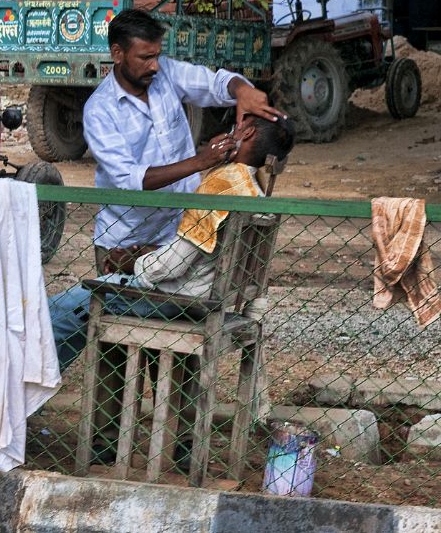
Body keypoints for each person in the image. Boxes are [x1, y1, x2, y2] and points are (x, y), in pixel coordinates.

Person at [51, 114, 295, 467]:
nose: (230, 127)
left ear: (247, 132)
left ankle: (22, 381)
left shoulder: (223, 182)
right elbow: (198, 254)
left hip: (179, 300)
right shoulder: (255, 187)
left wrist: (132, 264)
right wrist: (147, 254)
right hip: (212, 298)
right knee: (96, 300)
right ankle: (177, 447)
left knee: (67, 306)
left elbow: (173, 266)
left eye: (237, 124)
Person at [84, 7, 285, 276]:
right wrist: (201, 161)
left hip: (179, 232)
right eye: (145, 58)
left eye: (157, 55)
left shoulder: (166, 73)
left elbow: (214, 83)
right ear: (118, 53)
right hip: (127, 241)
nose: (155, 65)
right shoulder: (99, 110)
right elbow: (129, 180)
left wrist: (241, 89)